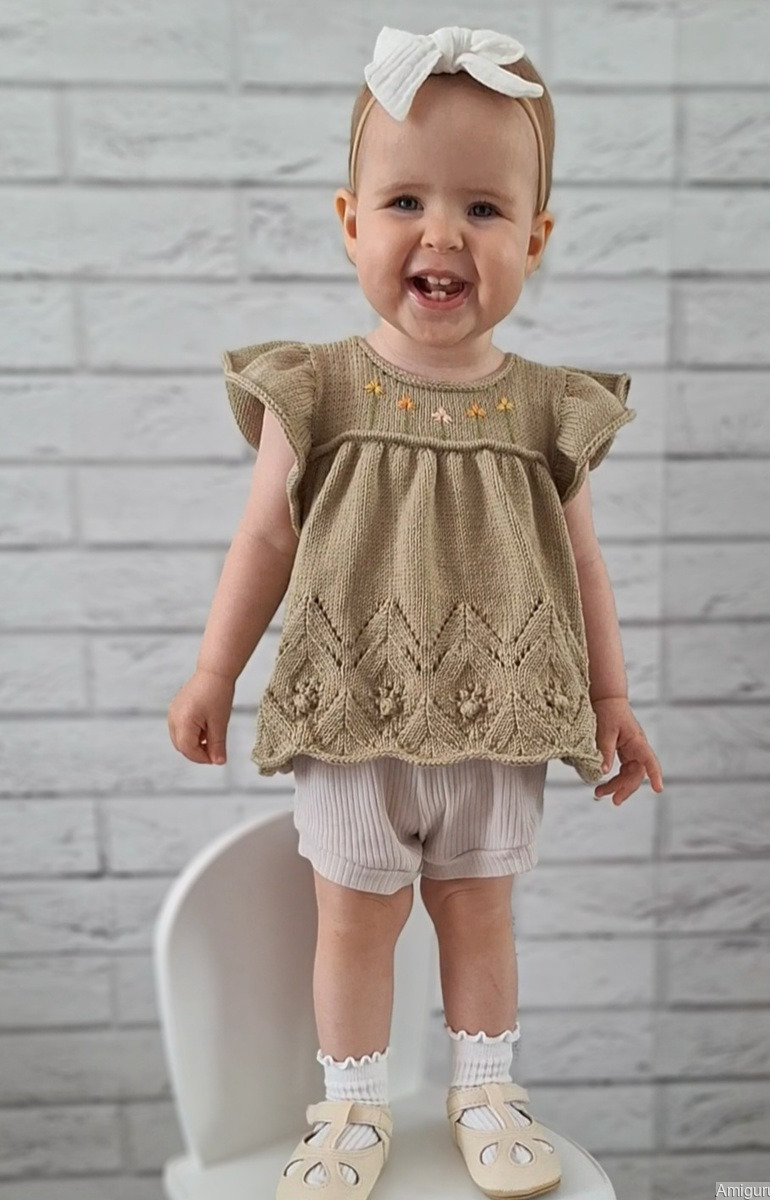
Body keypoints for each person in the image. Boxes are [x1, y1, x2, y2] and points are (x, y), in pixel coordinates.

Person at [168, 23, 664, 1200]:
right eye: (405, 201)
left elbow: (583, 562)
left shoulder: (546, 409)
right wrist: (213, 672)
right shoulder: (317, 389)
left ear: (534, 239)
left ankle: (486, 1092)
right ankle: (351, 1108)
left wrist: (610, 695)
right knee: (353, 923)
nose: (442, 235)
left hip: (497, 715)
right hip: (352, 717)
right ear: (351, 222)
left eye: (483, 209)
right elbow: (264, 540)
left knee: (479, 914)